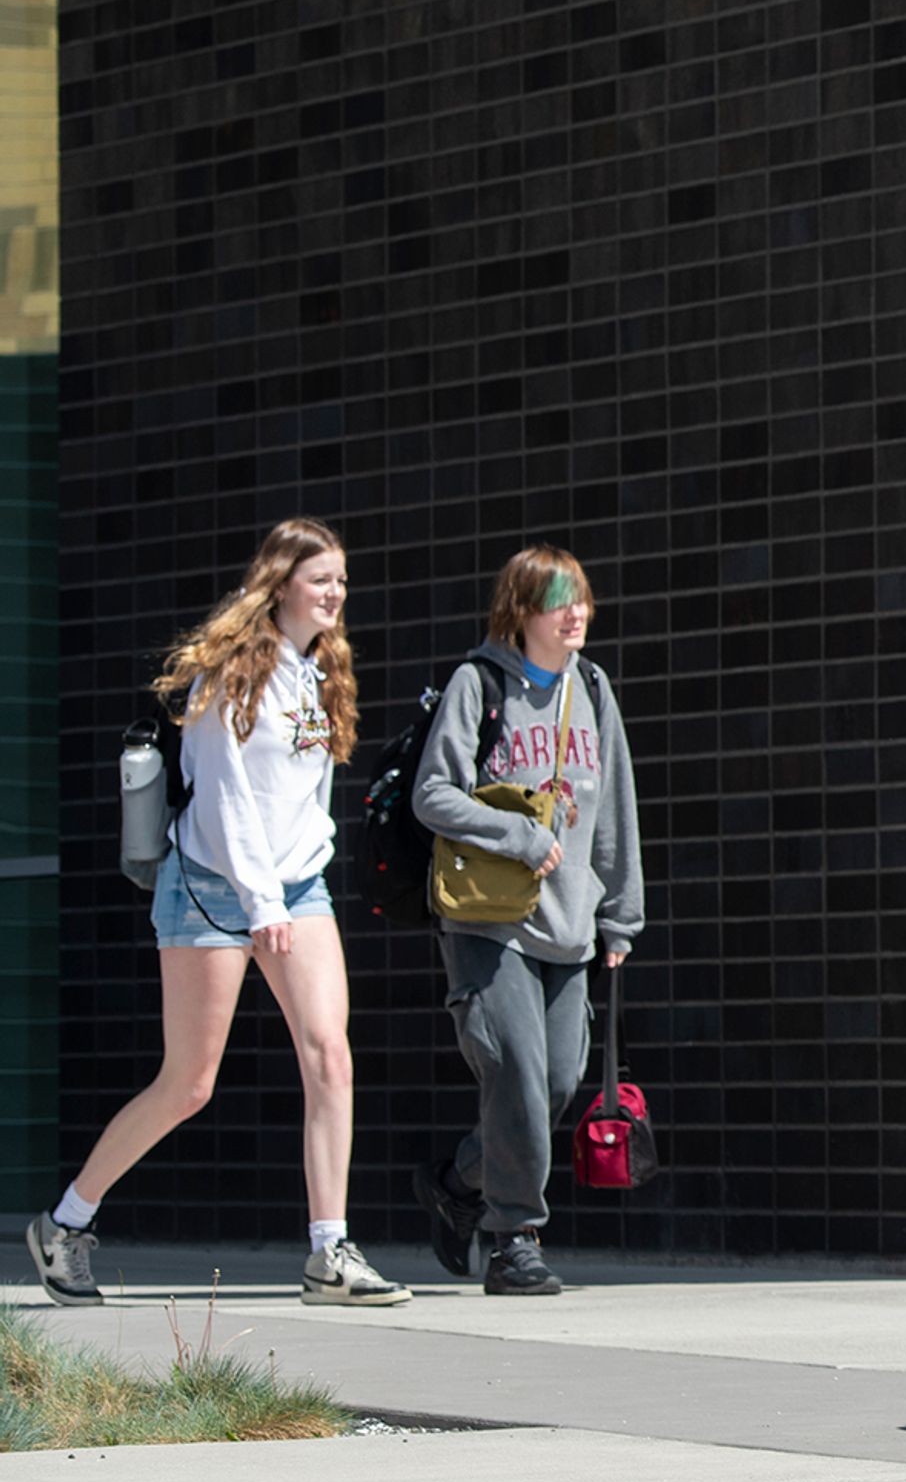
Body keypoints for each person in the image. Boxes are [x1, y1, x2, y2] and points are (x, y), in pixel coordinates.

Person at [24, 520, 407, 1307]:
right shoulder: (231, 671)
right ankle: (65, 1224)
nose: (335, 593)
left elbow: (301, 792)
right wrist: (262, 899)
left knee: (330, 1053)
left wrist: (306, 866)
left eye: (341, 579)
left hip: (298, 885)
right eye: (320, 578)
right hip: (211, 884)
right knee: (189, 1082)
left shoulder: (320, 670)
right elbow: (227, 796)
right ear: (279, 582)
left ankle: (329, 1252)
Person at [409, 546, 642, 1298]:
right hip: (489, 922)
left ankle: (456, 1181)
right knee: (513, 1069)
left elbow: (614, 814)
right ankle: (515, 1238)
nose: (575, 613)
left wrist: (620, 918)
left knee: (555, 1081)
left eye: (580, 598)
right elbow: (432, 794)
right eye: (556, 600)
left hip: (570, 926)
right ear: (521, 610)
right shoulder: (478, 686)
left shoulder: (595, 689)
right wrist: (519, 836)